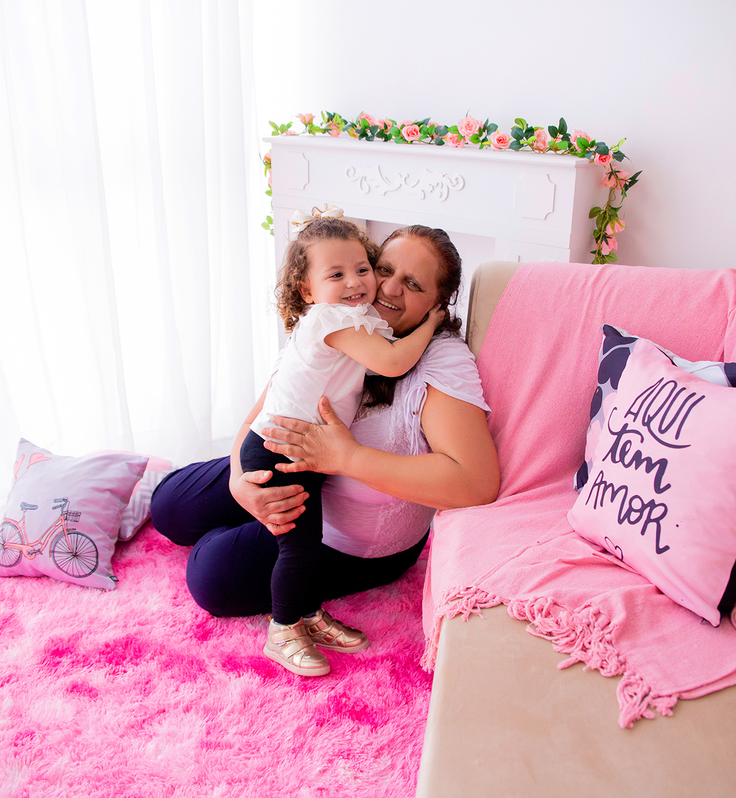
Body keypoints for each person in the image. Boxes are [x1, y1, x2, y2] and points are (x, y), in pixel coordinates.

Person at [150, 223, 499, 675]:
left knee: (210, 575)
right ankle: (251, 515)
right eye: (384, 269)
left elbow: (476, 483)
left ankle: (290, 611)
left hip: (346, 537)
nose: (388, 288)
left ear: (439, 302)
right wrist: (241, 485)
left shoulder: (439, 359)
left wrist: (347, 458)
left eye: (413, 284)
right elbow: (260, 413)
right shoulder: (341, 318)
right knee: (168, 504)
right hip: (283, 459)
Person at [237, 211, 445, 676]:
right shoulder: (331, 319)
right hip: (277, 449)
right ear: (307, 290)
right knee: (298, 549)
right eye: (336, 275)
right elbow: (392, 363)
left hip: (304, 448)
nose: (355, 282)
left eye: (362, 269)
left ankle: (308, 613)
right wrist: (431, 323)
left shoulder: (353, 317)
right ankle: (282, 629)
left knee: (308, 544)